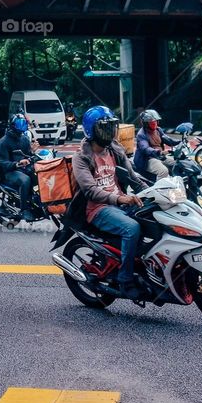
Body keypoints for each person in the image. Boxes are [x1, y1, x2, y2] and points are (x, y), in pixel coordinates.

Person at [72, 105, 146, 299]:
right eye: (104, 128)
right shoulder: (81, 158)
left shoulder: (115, 150)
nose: (110, 132)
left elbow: (132, 177)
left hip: (119, 203)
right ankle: (125, 279)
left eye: (112, 127)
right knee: (132, 229)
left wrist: (155, 190)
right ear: (92, 131)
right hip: (98, 209)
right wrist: (120, 198)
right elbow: (90, 190)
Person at [0, 113, 37, 222]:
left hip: (23, 168)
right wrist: (17, 164)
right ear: (13, 125)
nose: (22, 126)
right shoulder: (3, 142)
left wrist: (33, 151)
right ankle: (24, 209)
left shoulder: (24, 139)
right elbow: (2, 163)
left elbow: (28, 155)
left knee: (39, 174)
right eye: (20, 124)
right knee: (25, 180)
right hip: (10, 172)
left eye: (24, 123)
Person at [133, 109, 180, 179]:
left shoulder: (158, 130)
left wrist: (180, 141)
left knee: (177, 164)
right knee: (163, 171)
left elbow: (168, 139)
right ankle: (159, 189)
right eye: (152, 123)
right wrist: (158, 152)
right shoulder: (141, 134)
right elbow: (145, 149)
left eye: (155, 122)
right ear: (146, 124)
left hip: (159, 156)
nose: (154, 124)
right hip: (148, 159)